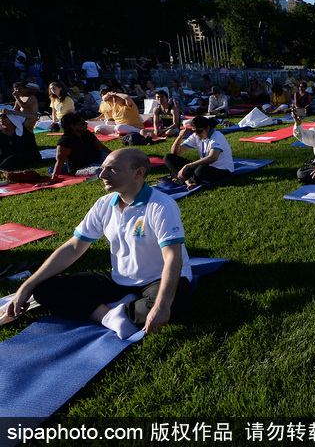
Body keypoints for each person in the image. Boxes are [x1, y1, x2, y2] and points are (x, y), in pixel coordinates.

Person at [5, 148, 193, 339]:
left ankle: (113, 309)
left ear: (139, 173)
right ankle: (108, 315)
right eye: (103, 168)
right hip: (120, 278)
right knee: (44, 289)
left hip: (156, 278)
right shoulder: (104, 204)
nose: (102, 174)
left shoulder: (161, 205)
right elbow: (73, 247)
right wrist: (27, 286)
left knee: (169, 305)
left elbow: (172, 256)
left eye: (113, 170)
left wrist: (161, 306)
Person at [40, 112, 112, 183]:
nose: (86, 124)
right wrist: (53, 180)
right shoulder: (65, 141)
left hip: (97, 159)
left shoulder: (87, 133)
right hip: (81, 168)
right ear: (73, 126)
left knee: (115, 161)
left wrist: (117, 156)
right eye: (83, 123)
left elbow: (101, 147)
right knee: (102, 170)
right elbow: (60, 160)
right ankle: (95, 178)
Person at [164, 116, 234, 189]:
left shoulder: (217, 137)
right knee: (168, 157)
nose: (196, 133)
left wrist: (188, 166)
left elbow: (213, 157)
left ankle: (185, 180)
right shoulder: (196, 136)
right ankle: (188, 181)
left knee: (201, 170)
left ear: (208, 128)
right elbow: (176, 152)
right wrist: (180, 136)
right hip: (205, 167)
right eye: (194, 131)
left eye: (199, 131)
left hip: (222, 170)